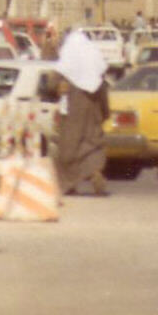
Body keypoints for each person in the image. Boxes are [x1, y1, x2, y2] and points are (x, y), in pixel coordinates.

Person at [54, 29, 110, 196]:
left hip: (71, 113)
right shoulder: (96, 68)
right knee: (92, 144)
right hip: (93, 112)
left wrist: (57, 89)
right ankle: (95, 173)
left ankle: (69, 184)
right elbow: (103, 93)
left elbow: (51, 85)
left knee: (69, 148)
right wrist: (105, 113)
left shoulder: (66, 67)